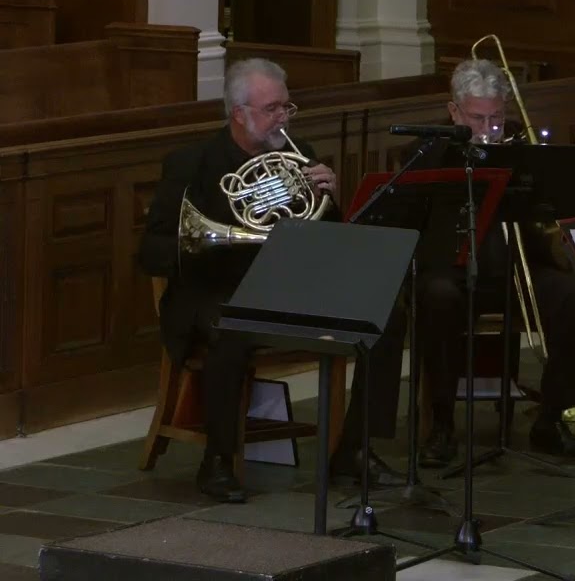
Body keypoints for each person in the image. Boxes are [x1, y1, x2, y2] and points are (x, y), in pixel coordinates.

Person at [139, 58, 407, 503]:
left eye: (286, 108)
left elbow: (326, 239)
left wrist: (329, 198)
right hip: (216, 287)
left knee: (386, 316)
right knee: (231, 327)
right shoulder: (191, 164)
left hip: (288, 285)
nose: (282, 118)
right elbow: (152, 250)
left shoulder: (299, 154)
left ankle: (355, 450)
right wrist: (214, 241)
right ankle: (218, 460)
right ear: (238, 113)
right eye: (271, 109)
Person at [417, 59, 575, 467]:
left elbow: (550, 210)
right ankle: (441, 424)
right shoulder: (429, 151)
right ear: (454, 112)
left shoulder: (522, 153)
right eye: (477, 118)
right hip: (454, 271)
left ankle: (551, 418)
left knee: (574, 295)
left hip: (517, 267)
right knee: (437, 296)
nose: (487, 128)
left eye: (495, 117)